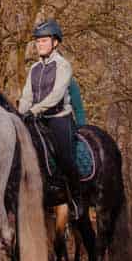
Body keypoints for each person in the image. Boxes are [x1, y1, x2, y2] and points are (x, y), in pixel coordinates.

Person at [19, 19, 78, 182]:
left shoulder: (63, 65)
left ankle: (77, 196)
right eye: (37, 41)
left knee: (65, 158)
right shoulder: (34, 68)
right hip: (36, 119)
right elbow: (26, 96)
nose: (40, 44)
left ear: (55, 42)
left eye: (44, 40)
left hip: (58, 119)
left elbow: (56, 95)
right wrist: (21, 114)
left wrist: (34, 110)